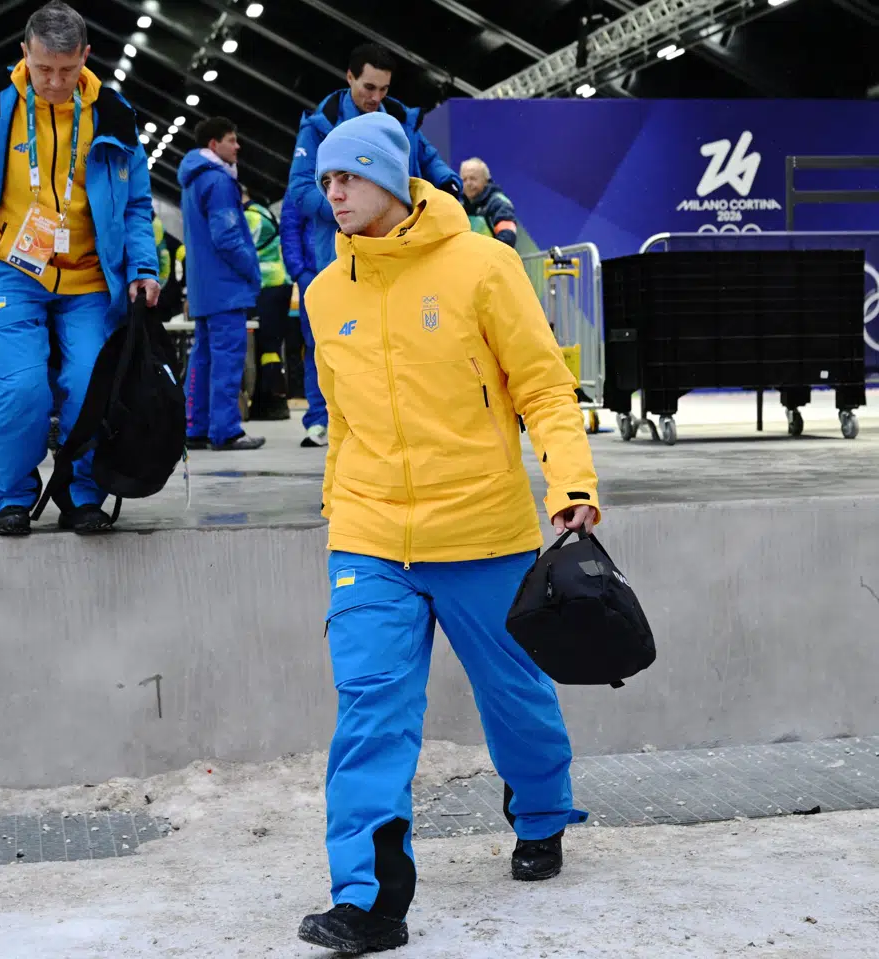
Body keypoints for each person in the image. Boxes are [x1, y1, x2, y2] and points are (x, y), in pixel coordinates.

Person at [296, 111, 602, 954]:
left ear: (392, 181)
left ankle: (541, 811)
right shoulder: (326, 293)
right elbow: (344, 422)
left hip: (481, 531)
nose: (335, 192)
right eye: (327, 180)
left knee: (516, 699)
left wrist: (570, 483)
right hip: (368, 536)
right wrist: (338, 509)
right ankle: (368, 898)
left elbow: (543, 385)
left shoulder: (483, 267)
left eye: (350, 176)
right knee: (370, 709)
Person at [0, 0, 161, 537]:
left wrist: (144, 266)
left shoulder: (114, 115)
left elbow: (137, 204)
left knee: (88, 384)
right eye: (44, 68)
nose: (54, 81)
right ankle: (12, 498)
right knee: (24, 388)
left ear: (86, 57)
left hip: (91, 280)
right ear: (24, 53)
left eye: (68, 71)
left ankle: (81, 495)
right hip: (11, 272)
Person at [283, 43, 462, 450]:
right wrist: (351, 210)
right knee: (334, 344)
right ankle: (323, 419)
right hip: (342, 253)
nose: (376, 97)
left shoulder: (402, 120)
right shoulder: (318, 126)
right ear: (349, 78)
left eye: (383, 88)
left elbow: (427, 159)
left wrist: (446, 179)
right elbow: (299, 190)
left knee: (409, 335)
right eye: (368, 87)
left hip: (407, 251)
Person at [178, 117, 264, 452]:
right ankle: (226, 430)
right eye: (231, 140)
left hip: (203, 289)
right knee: (228, 361)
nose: (237, 146)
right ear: (214, 145)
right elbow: (227, 237)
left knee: (201, 358)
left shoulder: (192, 180)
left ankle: (195, 428)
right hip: (226, 288)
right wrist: (251, 270)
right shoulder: (219, 182)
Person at [242, 185, 291, 421]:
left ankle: (272, 402)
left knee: (268, 346)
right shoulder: (261, 211)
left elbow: (242, 251)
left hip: (270, 285)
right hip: (275, 284)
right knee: (268, 346)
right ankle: (268, 400)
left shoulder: (251, 217)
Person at [460, 157, 520, 248]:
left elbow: (507, 238)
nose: (468, 183)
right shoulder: (460, 207)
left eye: (473, 178)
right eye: (464, 179)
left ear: (485, 180)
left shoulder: (499, 204)